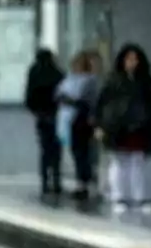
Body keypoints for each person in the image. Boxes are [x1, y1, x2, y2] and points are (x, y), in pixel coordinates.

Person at [95, 43, 151, 212]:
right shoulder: (113, 81)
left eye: (135, 59)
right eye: (128, 59)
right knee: (119, 163)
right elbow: (101, 105)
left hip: (140, 128)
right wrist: (100, 125)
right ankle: (119, 197)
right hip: (118, 128)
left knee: (137, 163)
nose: (132, 63)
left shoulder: (148, 82)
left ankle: (138, 198)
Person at [55, 50, 101, 200]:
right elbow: (58, 95)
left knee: (84, 153)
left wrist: (69, 100)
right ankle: (82, 181)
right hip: (70, 120)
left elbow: (86, 102)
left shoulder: (89, 81)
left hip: (83, 120)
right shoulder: (70, 79)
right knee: (77, 152)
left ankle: (85, 183)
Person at [25, 48, 65, 196]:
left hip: (42, 115)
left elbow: (29, 94)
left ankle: (45, 181)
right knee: (56, 150)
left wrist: (35, 110)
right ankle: (56, 179)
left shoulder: (34, 72)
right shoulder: (56, 72)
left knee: (44, 149)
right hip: (56, 114)